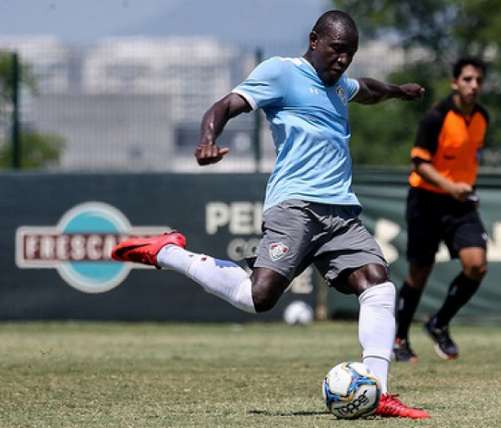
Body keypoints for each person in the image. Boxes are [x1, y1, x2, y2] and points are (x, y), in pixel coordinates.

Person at [111, 10, 429, 420]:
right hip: (295, 206)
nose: (343, 60)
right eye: (336, 50)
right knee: (256, 297)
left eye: (350, 53)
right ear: (314, 40)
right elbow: (224, 105)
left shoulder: (339, 86)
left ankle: (379, 392)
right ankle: (168, 252)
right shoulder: (281, 73)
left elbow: (366, 88)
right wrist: (208, 140)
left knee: (378, 285)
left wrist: (398, 91)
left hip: (341, 213)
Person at [393, 58, 489, 363]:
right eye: (467, 79)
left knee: (477, 264)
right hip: (426, 199)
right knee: (420, 271)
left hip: (460, 202)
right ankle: (399, 339)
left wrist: (462, 189)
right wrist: (451, 187)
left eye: (478, 81)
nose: (473, 86)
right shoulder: (437, 116)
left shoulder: (482, 117)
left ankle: (439, 322)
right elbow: (419, 163)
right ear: (455, 82)